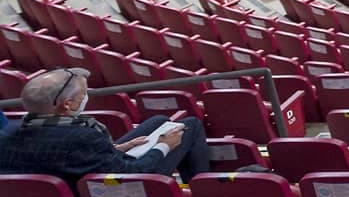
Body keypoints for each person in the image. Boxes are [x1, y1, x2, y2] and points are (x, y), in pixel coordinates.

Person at [0, 67, 209, 185]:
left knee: (159, 121)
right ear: (67, 104)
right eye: (83, 94)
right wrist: (164, 146)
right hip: (113, 192)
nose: (86, 97)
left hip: (75, 180)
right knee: (190, 125)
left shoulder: (8, 134)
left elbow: (66, 160)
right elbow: (130, 174)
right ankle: (201, 191)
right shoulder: (83, 138)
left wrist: (119, 149)